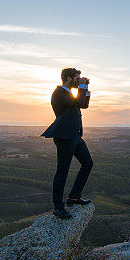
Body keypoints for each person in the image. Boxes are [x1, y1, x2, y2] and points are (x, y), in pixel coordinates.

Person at [41, 67, 94, 219]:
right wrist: (82, 87)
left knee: (88, 164)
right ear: (69, 78)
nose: (78, 82)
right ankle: (58, 206)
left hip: (75, 136)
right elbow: (78, 101)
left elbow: (83, 104)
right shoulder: (59, 93)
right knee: (62, 170)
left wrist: (86, 88)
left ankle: (73, 197)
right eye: (77, 79)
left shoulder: (69, 94)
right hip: (64, 137)